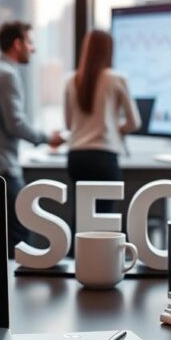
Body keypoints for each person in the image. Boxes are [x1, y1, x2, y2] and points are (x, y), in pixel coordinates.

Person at [0, 21, 63, 255]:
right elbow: (15, 124)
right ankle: (17, 291)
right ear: (17, 44)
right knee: (21, 236)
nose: (34, 49)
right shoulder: (6, 74)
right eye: (30, 42)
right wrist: (46, 138)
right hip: (4, 168)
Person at [64, 29, 141, 214]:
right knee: (105, 220)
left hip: (77, 157)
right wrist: (114, 128)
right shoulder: (116, 79)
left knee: (82, 217)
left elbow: (68, 125)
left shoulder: (71, 80)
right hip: (103, 157)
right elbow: (134, 122)